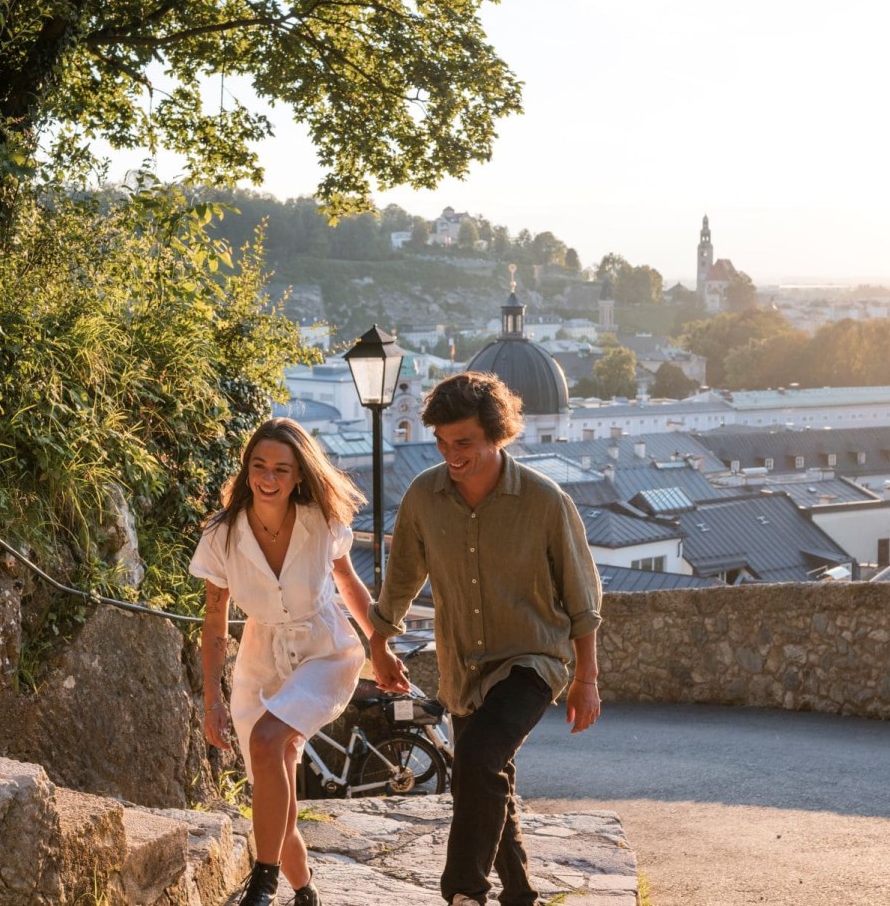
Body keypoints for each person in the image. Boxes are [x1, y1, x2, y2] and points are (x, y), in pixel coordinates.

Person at [368, 371, 603, 906]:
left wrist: (586, 679)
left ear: (498, 434)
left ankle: (463, 893)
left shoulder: (544, 501)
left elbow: (582, 599)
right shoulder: (424, 496)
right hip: (464, 668)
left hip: (533, 660)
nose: (451, 455)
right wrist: (379, 645)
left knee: (475, 763)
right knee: (489, 775)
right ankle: (520, 896)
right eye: (442, 442)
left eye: (464, 442)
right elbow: (401, 578)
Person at [192, 417, 378, 906]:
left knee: (267, 738)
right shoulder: (222, 535)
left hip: (323, 650)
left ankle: (262, 882)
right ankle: (304, 891)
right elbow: (214, 622)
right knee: (274, 794)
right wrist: (212, 700)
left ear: (299, 475)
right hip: (260, 659)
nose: (268, 478)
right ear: (246, 469)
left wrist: (380, 647)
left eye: (281, 468)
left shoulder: (321, 521)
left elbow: (348, 584)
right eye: (259, 466)